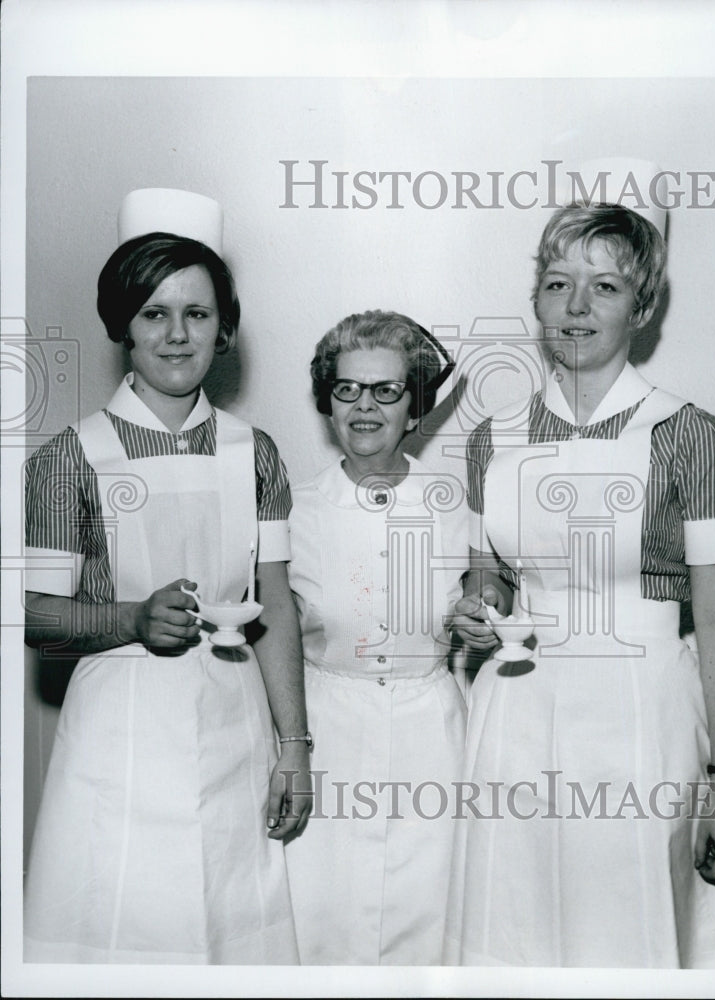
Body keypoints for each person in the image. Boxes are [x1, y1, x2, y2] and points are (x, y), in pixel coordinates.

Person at [446, 192, 715, 967]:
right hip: (515, 708)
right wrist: (478, 607)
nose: (576, 307)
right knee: (512, 932)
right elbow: (493, 575)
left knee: (627, 931)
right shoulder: (491, 437)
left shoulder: (695, 437)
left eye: (605, 286)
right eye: (557, 282)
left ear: (641, 307)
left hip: (642, 715)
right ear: (537, 299)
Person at [23, 189, 311, 964]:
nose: (177, 334)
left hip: (233, 725)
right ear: (123, 325)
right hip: (118, 743)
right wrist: (131, 619)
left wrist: (294, 746)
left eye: (197, 312)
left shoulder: (256, 451)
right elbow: (38, 617)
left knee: (230, 934)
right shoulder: (67, 458)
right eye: (154, 313)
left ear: (226, 327)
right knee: (125, 937)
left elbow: (276, 604)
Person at [284, 309, 467, 964]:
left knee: (432, 928)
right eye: (347, 389)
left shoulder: (456, 508)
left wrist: (486, 602)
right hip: (327, 738)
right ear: (327, 401)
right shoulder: (290, 513)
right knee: (321, 927)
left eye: (386, 390)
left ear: (414, 405)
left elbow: (491, 590)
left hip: (434, 743)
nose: (365, 406)